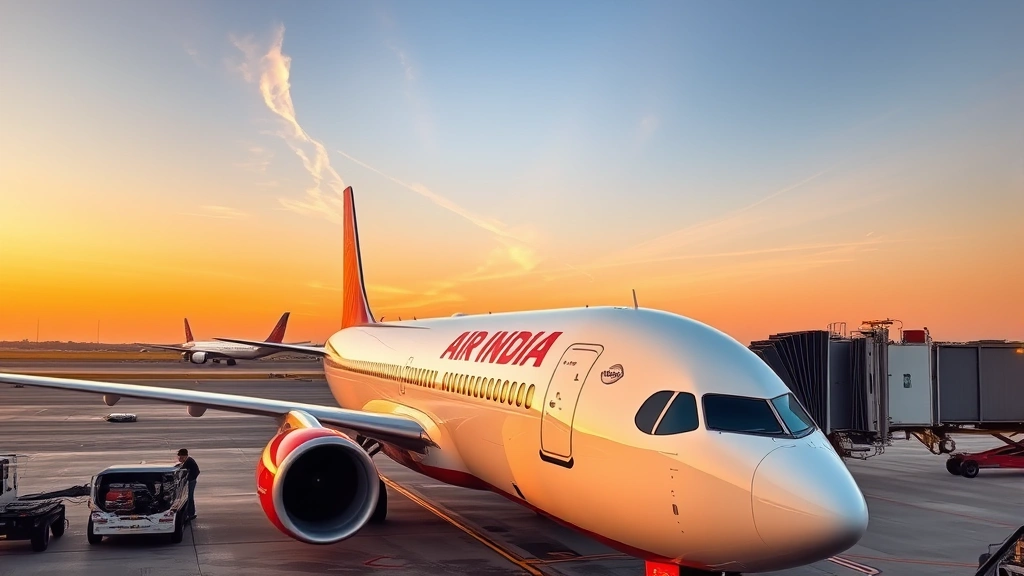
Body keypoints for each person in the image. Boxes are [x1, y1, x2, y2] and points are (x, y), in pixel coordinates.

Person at [175, 448, 200, 521]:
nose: (180, 458)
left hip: (191, 481)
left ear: (185, 456)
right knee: (189, 497)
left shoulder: (189, 462)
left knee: (190, 497)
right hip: (191, 481)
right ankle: (189, 513)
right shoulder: (188, 461)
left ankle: (191, 514)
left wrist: (189, 478)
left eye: (181, 457)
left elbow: (197, 472)